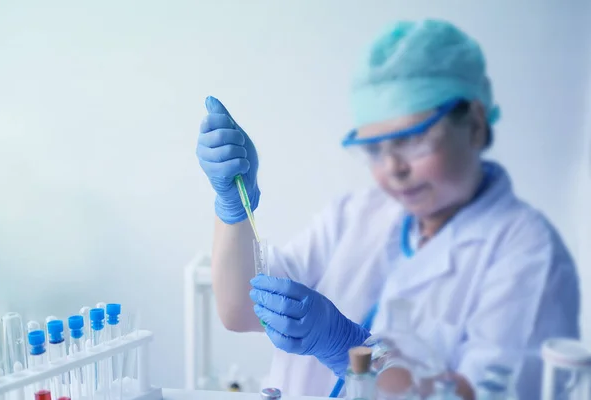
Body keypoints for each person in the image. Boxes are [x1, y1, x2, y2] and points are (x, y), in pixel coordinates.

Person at [195, 19, 580, 399]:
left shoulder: (529, 254)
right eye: (376, 149)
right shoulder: (355, 215)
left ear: (476, 124)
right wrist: (235, 207)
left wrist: (349, 348)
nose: (394, 168)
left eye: (413, 139)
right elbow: (242, 311)